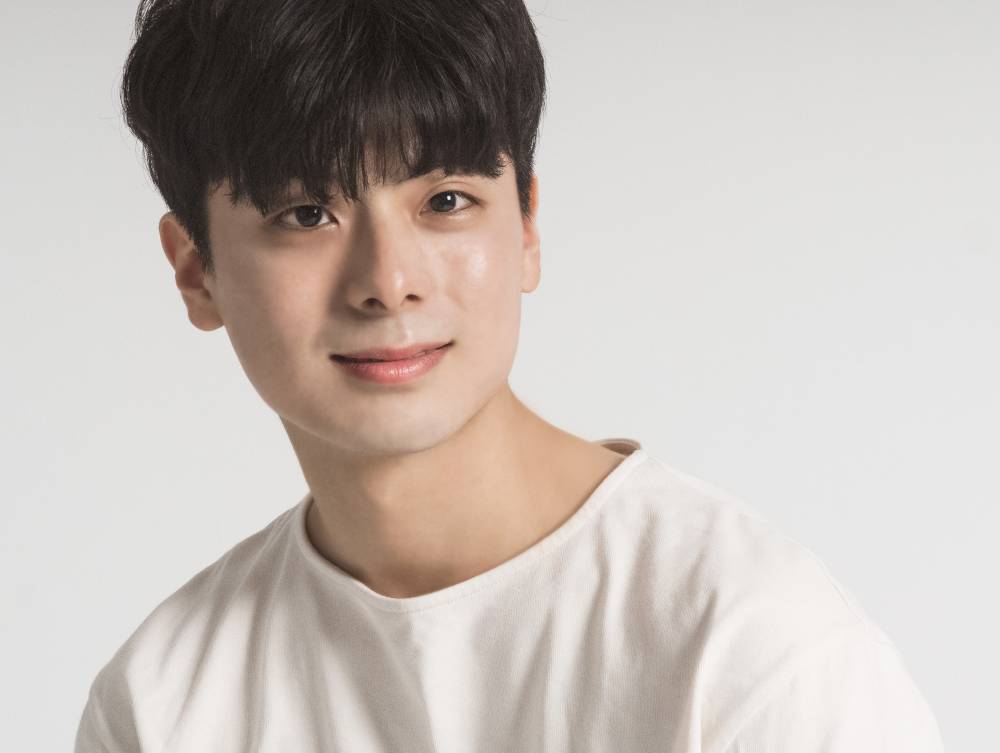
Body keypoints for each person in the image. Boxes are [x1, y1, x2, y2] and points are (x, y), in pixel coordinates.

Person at [75, 0, 945, 750]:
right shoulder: (162, 703)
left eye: (445, 201)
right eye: (307, 213)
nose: (389, 280)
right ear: (196, 270)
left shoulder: (749, 649)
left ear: (526, 226)